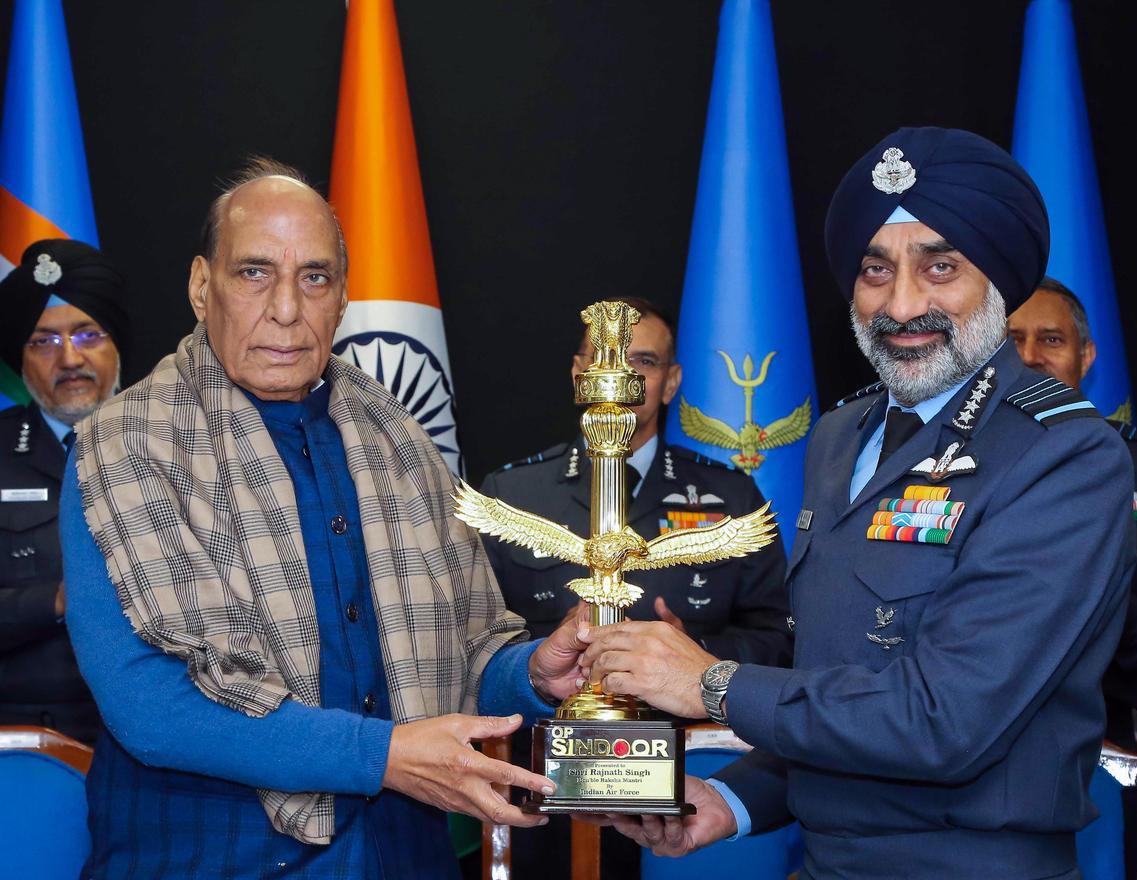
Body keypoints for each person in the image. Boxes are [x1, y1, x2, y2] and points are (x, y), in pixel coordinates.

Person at [577, 128, 1135, 879]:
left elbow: (947, 720)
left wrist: (712, 682)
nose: (902, 304)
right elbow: (842, 683)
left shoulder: (1063, 455)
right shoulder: (842, 435)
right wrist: (735, 800)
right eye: (876, 270)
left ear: (998, 283)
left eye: (940, 267)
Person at [59, 158, 588, 879]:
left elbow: (463, 655)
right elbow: (151, 707)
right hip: (210, 858)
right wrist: (382, 756)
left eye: (314, 277)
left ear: (342, 299)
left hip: (404, 856)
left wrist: (534, 676)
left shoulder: (398, 438)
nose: (286, 308)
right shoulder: (122, 445)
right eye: (254, 273)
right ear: (201, 287)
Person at [479, 295, 790, 878]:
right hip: (545, 787)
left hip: (691, 791)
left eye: (644, 362)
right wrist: (545, 659)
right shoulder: (513, 494)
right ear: (579, 374)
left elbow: (782, 639)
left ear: (670, 382)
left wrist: (693, 656)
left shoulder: (730, 497)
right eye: (605, 360)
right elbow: (474, 643)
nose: (623, 375)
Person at [1009, 278, 1137, 749]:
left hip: (1103, 728)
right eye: (1012, 340)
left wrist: (1092, 607)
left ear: (1086, 357)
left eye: (1051, 339)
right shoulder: (941, 463)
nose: (1030, 356)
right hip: (965, 724)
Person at [0, 239, 128, 744]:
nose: (70, 358)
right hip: (25, 739)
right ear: (20, 361)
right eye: (44, 342)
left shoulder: (179, 442)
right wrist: (55, 601)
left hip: (163, 735)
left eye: (88, 334)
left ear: (118, 344)